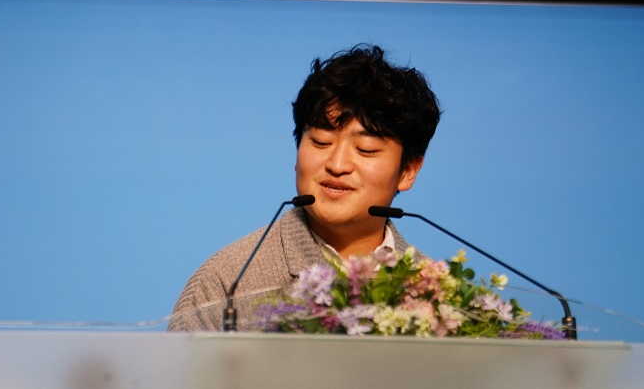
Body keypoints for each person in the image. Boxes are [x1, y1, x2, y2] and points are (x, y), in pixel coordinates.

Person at [168, 44, 442, 332]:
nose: (337, 165)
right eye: (321, 142)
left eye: (365, 148)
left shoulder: (437, 293)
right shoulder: (227, 282)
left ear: (408, 171)